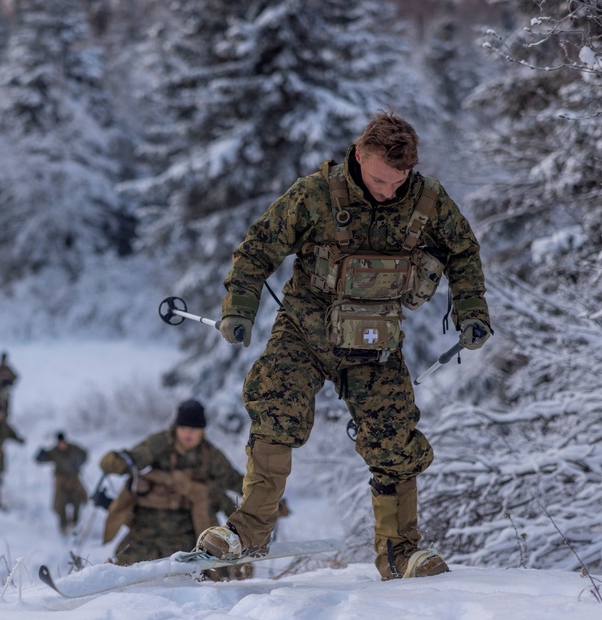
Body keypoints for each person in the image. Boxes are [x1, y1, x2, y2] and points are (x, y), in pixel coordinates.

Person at [196, 111, 492, 582]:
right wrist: (239, 308)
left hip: (376, 340)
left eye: (399, 182)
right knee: (276, 407)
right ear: (360, 154)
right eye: (380, 179)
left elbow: (463, 252)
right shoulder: (315, 195)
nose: (389, 191)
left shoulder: (428, 201)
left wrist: (472, 310)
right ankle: (247, 533)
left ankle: (400, 553)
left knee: (394, 437)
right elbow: (257, 248)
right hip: (304, 330)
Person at [99, 399, 244, 566]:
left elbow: (232, 479)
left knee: (207, 574)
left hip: (186, 530)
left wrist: (262, 496)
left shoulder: (210, 455)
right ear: (177, 427)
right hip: (147, 527)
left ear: (202, 431)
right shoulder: (160, 443)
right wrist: (118, 462)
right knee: (124, 572)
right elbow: (136, 458)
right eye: (183, 428)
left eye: (193, 430)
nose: (187, 434)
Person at [35, 432, 89, 534]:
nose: (62, 445)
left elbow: (85, 453)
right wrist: (41, 456)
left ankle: (74, 524)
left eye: (63, 442)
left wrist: (80, 461)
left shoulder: (74, 448)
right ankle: (63, 525)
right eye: (60, 443)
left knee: (77, 499)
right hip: (61, 481)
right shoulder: (54, 451)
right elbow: (42, 459)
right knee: (61, 503)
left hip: (74, 480)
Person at [0, 352, 18, 417]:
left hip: (6, 392)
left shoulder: (8, 369)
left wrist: (9, 382)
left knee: (6, 410)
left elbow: (15, 377)